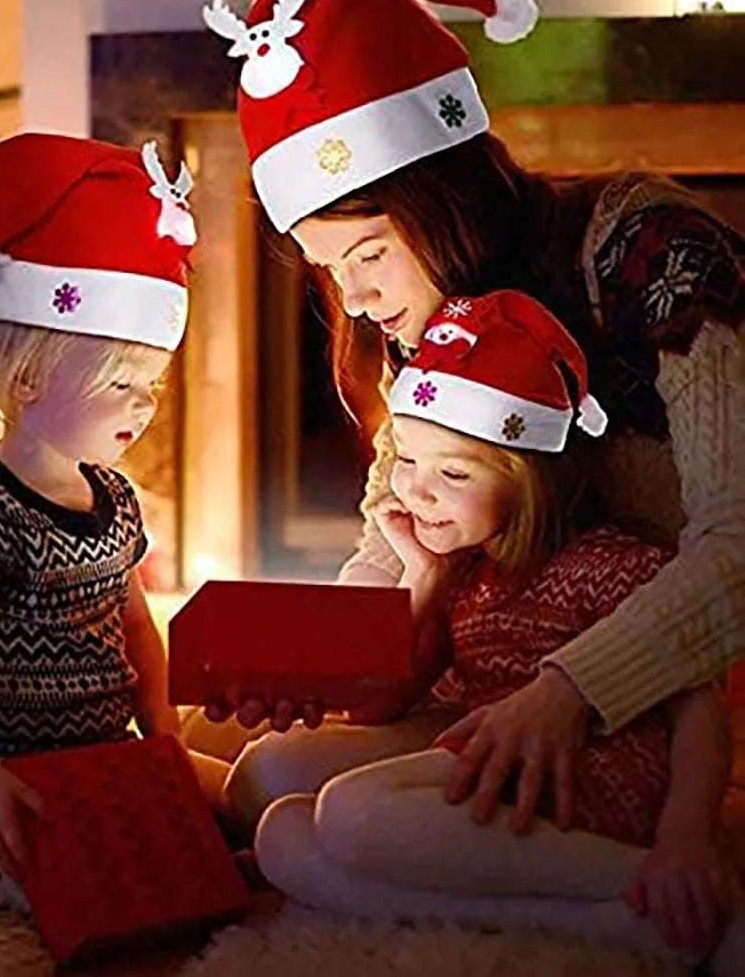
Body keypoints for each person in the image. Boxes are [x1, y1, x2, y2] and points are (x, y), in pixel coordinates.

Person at [199, 0, 744, 854]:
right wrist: (316, 661)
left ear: (439, 197)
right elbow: (392, 538)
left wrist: (569, 692)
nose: (358, 294)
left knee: (304, 800)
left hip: (664, 695)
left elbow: (738, 538)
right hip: (497, 680)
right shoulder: (433, 319)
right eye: (329, 267)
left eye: (368, 253)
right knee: (256, 770)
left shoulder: (650, 252)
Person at [252, 289, 737, 955]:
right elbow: (382, 704)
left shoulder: (610, 563)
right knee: (281, 834)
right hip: (488, 779)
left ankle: (650, 884)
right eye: (408, 464)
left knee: (350, 812)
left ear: (528, 480)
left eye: (451, 473)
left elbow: (699, 707)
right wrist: (422, 576)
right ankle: (600, 923)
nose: (417, 492)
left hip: (579, 786)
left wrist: (686, 840)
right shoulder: (463, 574)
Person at [0, 132, 228, 883]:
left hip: (105, 749)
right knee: (98, 877)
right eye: (121, 384)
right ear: (26, 379)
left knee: (226, 818)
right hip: (11, 768)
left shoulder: (116, 500)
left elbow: (138, 627)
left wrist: (165, 737)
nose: (142, 405)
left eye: (149, 384)